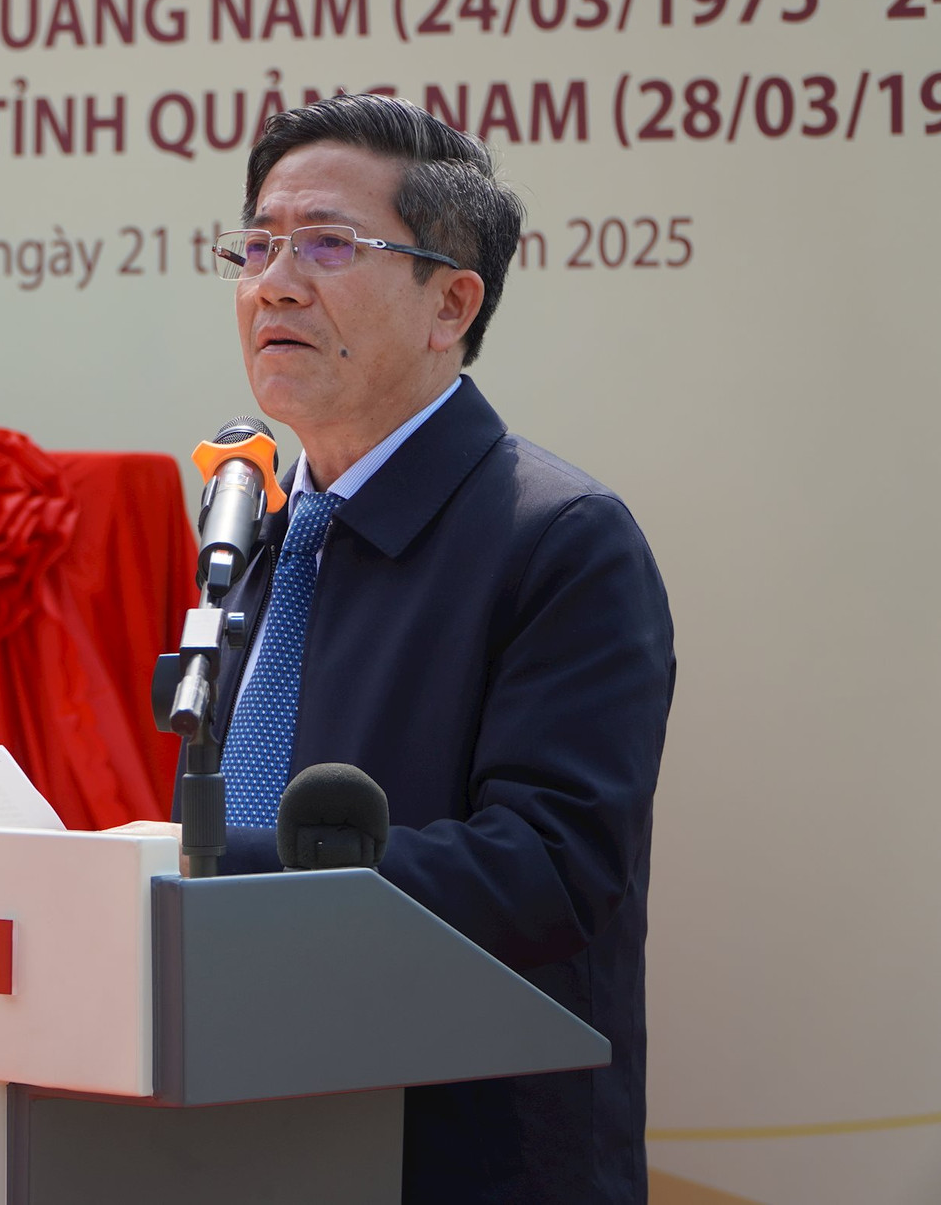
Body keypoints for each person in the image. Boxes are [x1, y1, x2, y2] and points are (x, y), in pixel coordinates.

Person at [169, 95, 676, 1203]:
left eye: (327, 244)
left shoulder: (562, 540)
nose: (275, 283)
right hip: (239, 1125)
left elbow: (549, 869)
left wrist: (206, 872)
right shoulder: (250, 526)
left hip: (455, 1156)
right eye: (258, 245)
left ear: (451, 302)